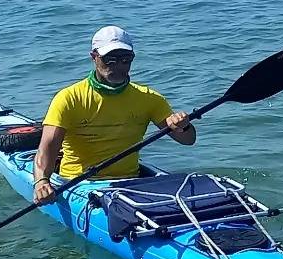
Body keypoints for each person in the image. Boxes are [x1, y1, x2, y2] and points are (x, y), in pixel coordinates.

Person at [33, 26, 195, 204]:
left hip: (130, 183)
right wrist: (41, 181)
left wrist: (183, 126)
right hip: (79, 184)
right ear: (94, 57)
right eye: (110, 59)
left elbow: (188, 140)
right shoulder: (69, 98)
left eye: (125, 59)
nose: (118, 66)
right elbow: (47, 148)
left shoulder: (149, 98)